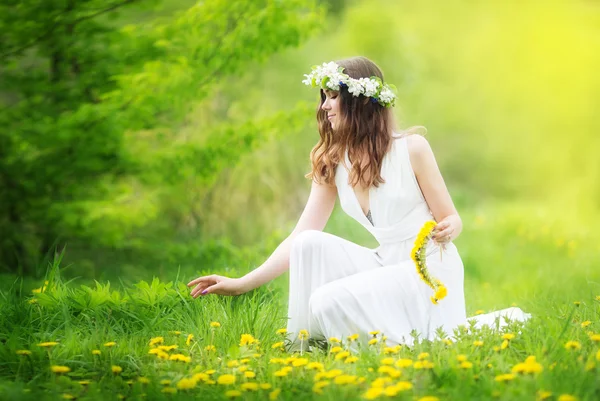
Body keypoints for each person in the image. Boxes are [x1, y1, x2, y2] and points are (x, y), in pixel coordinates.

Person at [187, 56, 530, 352]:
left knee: (325, 301)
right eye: (323, 97)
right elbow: (299, 235)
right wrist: (241, 283)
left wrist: (451, 227)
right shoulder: (332, 160)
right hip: (386, 262)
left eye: (333, 97)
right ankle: (304, 347)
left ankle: (398, 345)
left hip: (429, 272)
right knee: (309, 243)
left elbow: (451, 217)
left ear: (360, 101)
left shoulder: (412, 149)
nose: (324, 106)